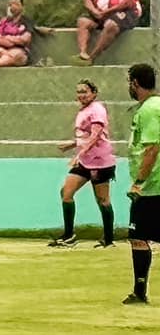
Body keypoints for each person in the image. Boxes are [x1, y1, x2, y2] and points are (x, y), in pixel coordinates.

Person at [53, 79, 116, 248]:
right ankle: (69, 236)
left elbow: (96, 136)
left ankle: (109, 240)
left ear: (94, 93)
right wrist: (73, 144)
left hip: (99, 161)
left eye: (85, 91)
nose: (81, 95)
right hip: (85, 161)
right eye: (79, 91)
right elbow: (86, 135)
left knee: (102, 199)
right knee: (66, 193)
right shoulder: (84, 110)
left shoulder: (97, 110)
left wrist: (77, 155)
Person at [125, 63, 160, 304]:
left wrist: (139, 181)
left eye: (129, 81)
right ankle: (139, 291)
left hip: (152, 186)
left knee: (138, 236)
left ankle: (139, 292)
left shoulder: (149, 109)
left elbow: (152, 148)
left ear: (135, 82)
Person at [76, 0, 144, 66]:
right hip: (100, 14)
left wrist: (106, 12)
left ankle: (92, 57)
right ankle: (82, 53)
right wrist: (95, 11)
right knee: (82, 21)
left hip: (124, 12)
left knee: (111, 25)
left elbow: (128, 2)